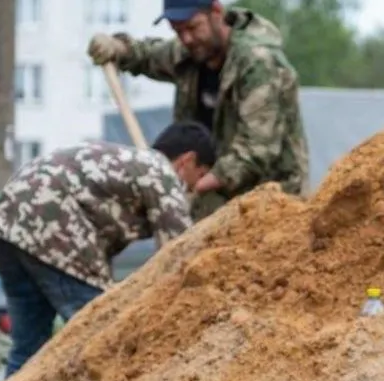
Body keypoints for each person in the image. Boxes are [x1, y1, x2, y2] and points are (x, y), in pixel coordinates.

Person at [0, 121, 217, 377]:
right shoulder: (161, 173)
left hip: (5, 226)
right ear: (187, 161)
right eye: (200, 175)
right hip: (50, 229)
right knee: (104, 335)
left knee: (27, 351)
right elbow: (180, 253)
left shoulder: (129, 163)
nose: (194, 188)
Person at [86, 0, 309, 221]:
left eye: (192, 27)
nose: (186, 39)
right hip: (216, 203)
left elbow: (256, 151)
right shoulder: (191, 53)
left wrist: (191, 187)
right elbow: (147, 55)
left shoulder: (259, 63)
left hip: (272, 206)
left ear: (216, 12)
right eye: (177, 30)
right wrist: (117, 48)